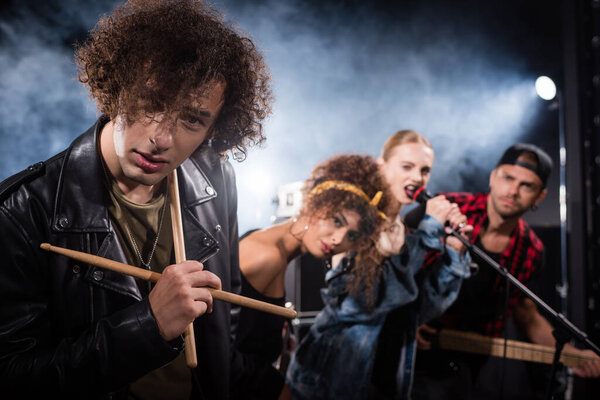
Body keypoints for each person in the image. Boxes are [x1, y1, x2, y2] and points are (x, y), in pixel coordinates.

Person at [0, 0, 272, 398]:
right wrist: (149, 325)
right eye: (153, 101)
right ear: (117, 84)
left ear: (215, 127)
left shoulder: (214, 177)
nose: (161, 138)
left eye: (192, 119)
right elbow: (14, 377)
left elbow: (221, 322)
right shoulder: (24, 209)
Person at [285, 130, 473, 400]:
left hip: (383, 380)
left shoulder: (405, 232)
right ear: (381, 166)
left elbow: (418, 310)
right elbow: (359, 304)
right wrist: (429, 229)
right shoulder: (356, 223)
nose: (417, 178)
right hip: (328, 380)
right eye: (406, 167)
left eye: (424, 170)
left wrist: (454, 257)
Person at [411, 143, 600, 400]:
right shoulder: (448, 208)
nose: (513, 191)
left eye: (527, 186)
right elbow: (392, 264)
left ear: (539, 197)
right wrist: (405, 319)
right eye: (508, 178)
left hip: (466, 365)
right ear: (493, 177)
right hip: (408, 350)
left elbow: (527, 315)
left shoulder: (531, 249)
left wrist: (573, 355)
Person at [233, 154, 398, 399]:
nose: (338, 239)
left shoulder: (275, 247)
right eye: (336, 221)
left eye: (352, 236)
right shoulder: (266, 256)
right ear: (314, 202)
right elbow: (212, 345)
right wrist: (277, 388)